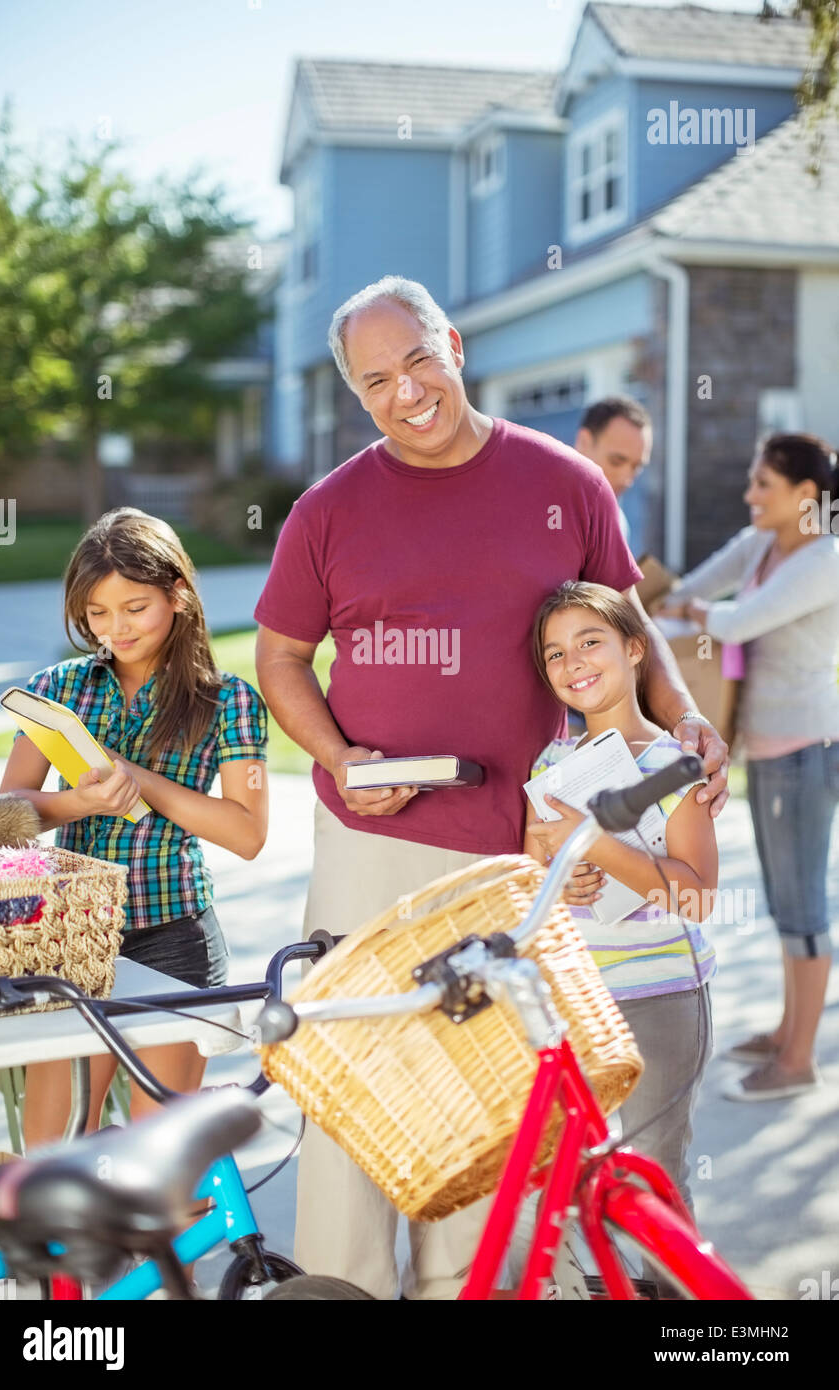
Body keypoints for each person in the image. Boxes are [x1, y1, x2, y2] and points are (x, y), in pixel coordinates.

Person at [254, 274, 729, 1301]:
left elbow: (631, 628)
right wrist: (339, 757)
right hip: (368, 845)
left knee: (481, 1112)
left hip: (517, 850)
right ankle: (341, 1288)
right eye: (374, 380)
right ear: (355, 394)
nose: (405, 391)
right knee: (355, 1084)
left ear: (455, 345)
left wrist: (685, 712)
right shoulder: (327, 509)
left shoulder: (563, 481)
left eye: (417, 359)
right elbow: (281, 656)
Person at [1, 508, 269, 1146]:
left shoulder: (227, 700)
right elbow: (5, 816)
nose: (115, 628)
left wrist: (139, 779)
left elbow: (246, 833)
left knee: (162, 1170)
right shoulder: (58, 691)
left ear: (177, 594)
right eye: (98, 612)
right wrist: (82, 803)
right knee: (55, 1153)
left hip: (174, 937)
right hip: (70, 941)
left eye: (134, 607)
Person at [656, 434, 839, 1101]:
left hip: (807, 748)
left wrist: (695, 611)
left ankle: (798, 1061)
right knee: (784, 898)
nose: (750, 495)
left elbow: (739, 620)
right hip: (765, 744)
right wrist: (679, 606)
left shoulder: (825, 559)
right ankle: (789, 1029)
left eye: (764, 484)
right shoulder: (761, 542)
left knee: (803, 903)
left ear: (805, 495)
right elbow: (690, 589)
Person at [525, 581, 718, 1205]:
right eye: (554, 653)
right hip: (572, 1000)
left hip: (660, 996)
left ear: (635, 649)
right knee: (561, 1182)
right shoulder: (548, 764)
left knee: (653, 1182)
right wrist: (563, 879)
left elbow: (696, 896)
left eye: (589, 641)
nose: (572, 661)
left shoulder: (675, 763)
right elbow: (534, 871)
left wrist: (599, 844)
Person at [575, 396, 652, 546]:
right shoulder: (542, 507)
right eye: (616, 461)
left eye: (637, 467)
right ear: (584, 442)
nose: (627, 479)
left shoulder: (618, 523)